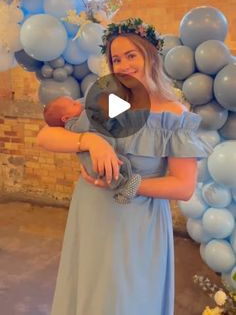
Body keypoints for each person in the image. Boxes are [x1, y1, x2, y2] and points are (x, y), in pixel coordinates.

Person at [37, 17, 212, 315]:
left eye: (131, 55)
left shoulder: (173, 114)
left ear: (150, 58)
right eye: (116, 59)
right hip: (92, 214)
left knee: (124, 301)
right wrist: (92, 142)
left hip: (136, 225)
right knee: (90, 296)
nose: (124, 65)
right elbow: (45, 136)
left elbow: (183, 187)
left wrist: (130, 184)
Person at [43, 95, 142, 204]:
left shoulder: (84, 113)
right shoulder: (71, 124)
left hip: (108, 151)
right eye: (74, 104)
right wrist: (87, 111)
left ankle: (125, 187)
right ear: (66, 118)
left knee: (122, 163)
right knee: (109, 171)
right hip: (94, 160)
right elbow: (80, 128)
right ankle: (122, 185)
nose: (78, 103)